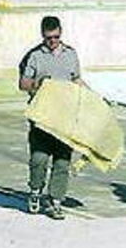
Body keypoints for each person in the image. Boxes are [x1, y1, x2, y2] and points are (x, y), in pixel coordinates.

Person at [18, 16, 87, 220]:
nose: (53, 41)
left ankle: (56, 200)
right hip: (43, 115)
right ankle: (35, 191)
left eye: (56, 37)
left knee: (62, 161)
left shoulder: (71, 54)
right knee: (39, 159)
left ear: (61, 33)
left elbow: (76, 80)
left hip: (65, 116)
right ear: (43, 35)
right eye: (49, 38)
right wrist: (38, 85)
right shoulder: (34, 56)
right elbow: (23, 84)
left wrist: (94, 98)